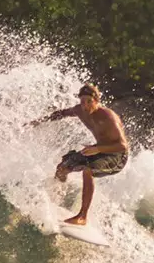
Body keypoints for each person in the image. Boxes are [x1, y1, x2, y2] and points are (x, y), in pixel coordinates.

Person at [27, 83, 128, 227]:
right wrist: (38, 122)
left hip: (117, 156)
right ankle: (54, 200)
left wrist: (98, 149)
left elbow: (123, 146)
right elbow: (60, 114)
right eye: (82, 101)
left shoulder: (108, 117)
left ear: (96, 101)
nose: (85, 105)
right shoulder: (79, 110)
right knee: (63, 167)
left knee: (88, 171)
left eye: (89, 101)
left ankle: (82, 217)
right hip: (98, 151)